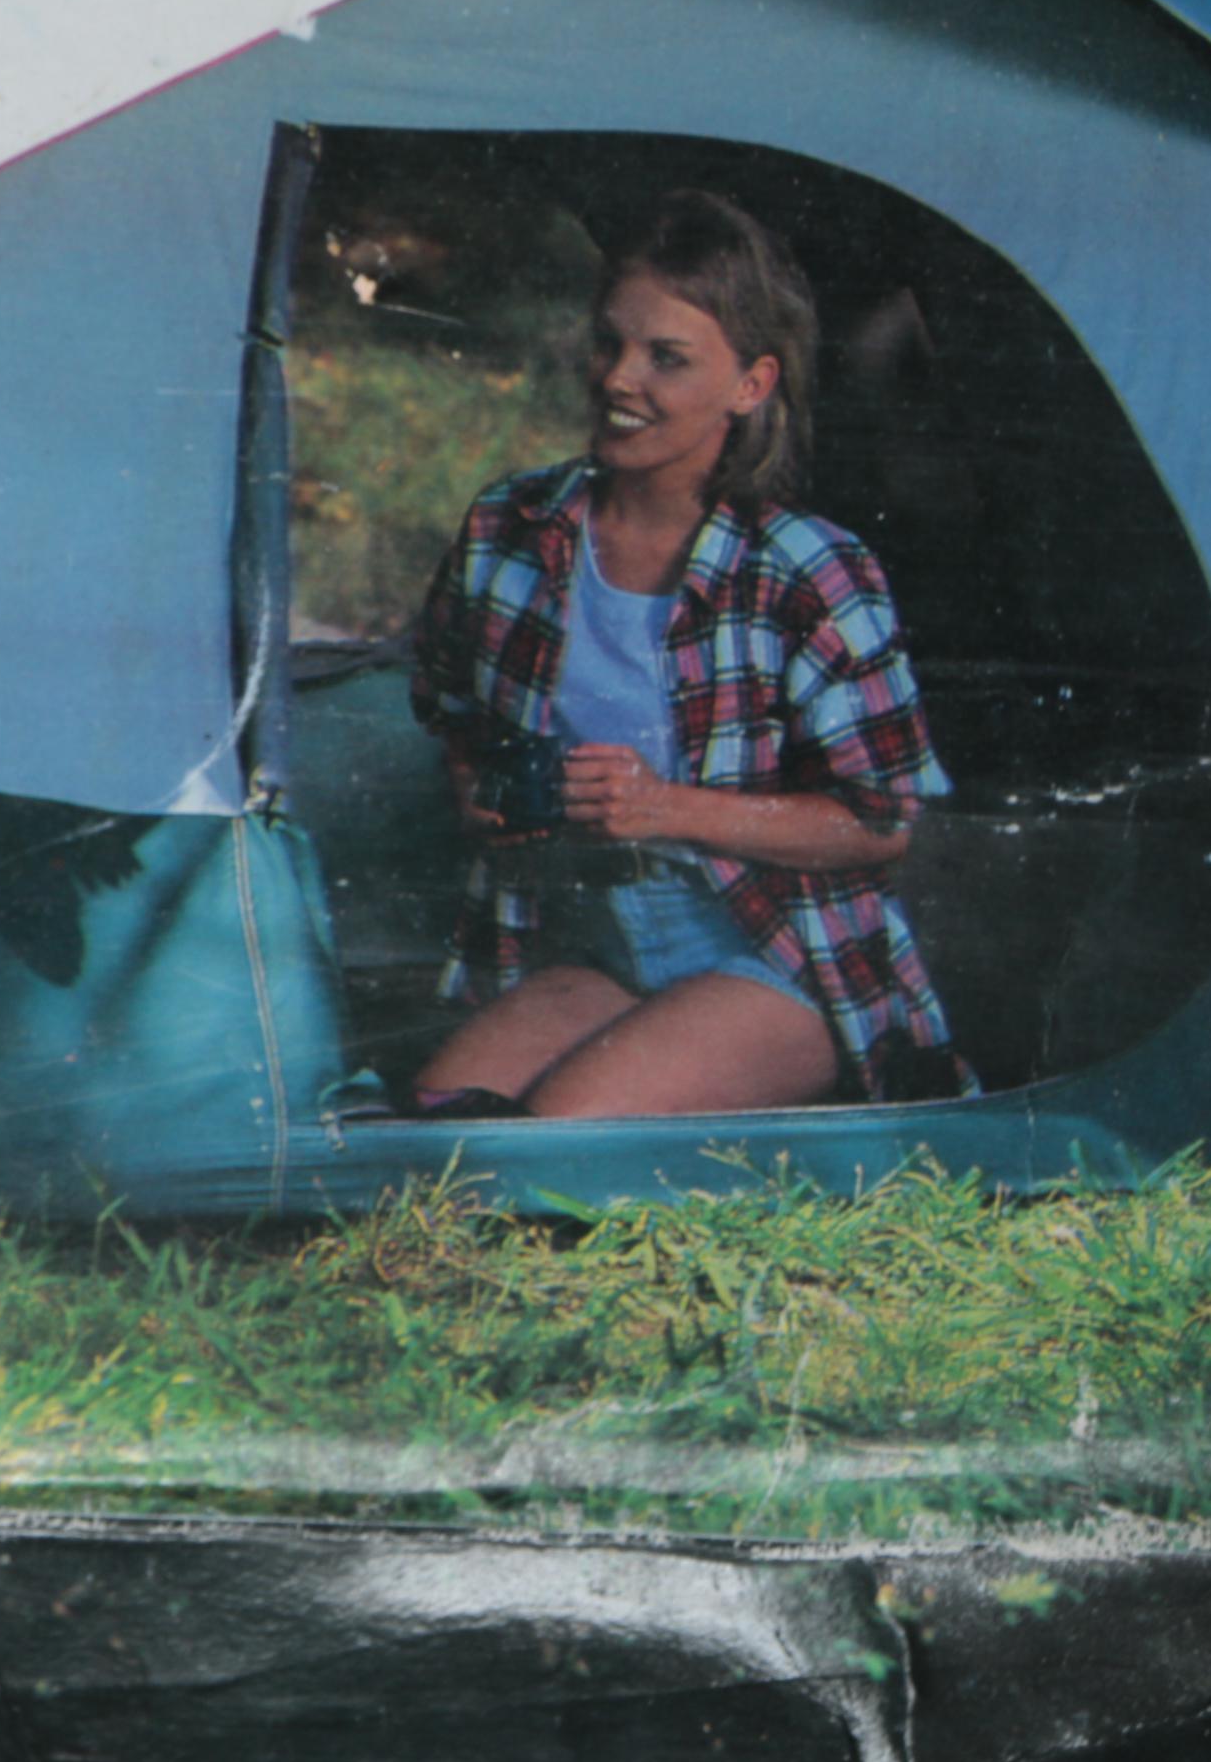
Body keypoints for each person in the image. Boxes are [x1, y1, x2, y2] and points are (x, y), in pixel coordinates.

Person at [403, 190, 956, 1117]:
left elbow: (883, 821)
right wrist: (482, 789)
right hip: (593, 942)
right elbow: (448, 707)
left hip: (777, 952)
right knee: (435, 1123)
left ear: (750, 386)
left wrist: (661, 808)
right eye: (609, 343)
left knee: (556, 1134)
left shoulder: (811, 568)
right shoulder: (512, 525)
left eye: (667, 358)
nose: (620, 380)